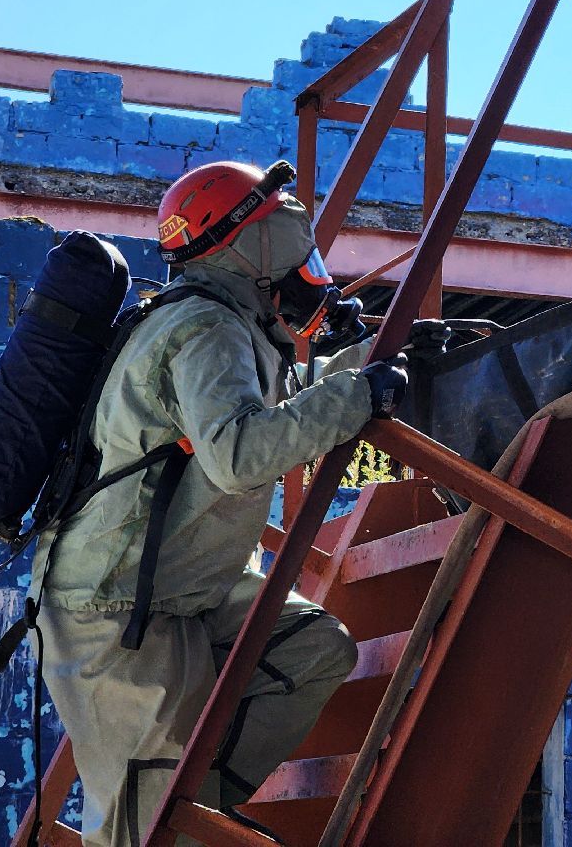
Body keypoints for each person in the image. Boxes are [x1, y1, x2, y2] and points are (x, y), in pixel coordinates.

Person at [30, 159, 410, 847]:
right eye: (289, 241)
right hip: (118, 606)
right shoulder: (206, 327)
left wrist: (362, 372)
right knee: (137, 826)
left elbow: (264, 414)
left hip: (180, 587)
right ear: (252, 246)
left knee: (312, 648)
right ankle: (178, 810)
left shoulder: (220, 321)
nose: (304, 263)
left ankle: (195, 803)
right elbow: (240, 454)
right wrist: (357, 396)